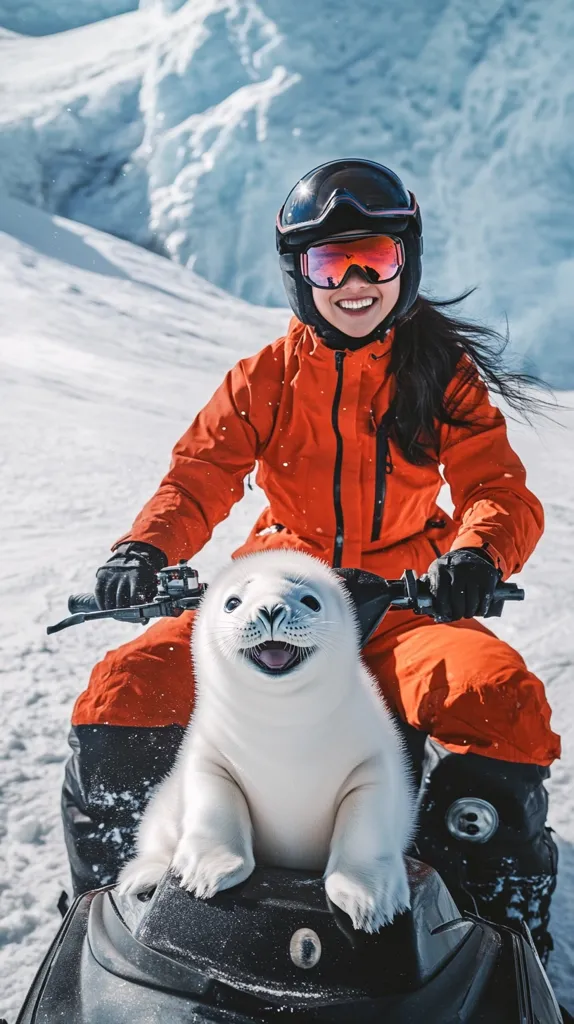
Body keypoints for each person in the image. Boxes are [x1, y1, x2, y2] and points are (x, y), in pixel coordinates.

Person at [62, 158, 560, 962]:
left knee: (496, 697)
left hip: (403, 607)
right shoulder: (266, 377)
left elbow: (497, 490)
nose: (356, 280)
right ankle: (110, 917)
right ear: (299, 275)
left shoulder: (440, 378)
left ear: (408, 261)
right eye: (332, 263)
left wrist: (475, 554)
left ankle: (502, 941)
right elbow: (198, 476)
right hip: (276, 599)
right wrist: (145, 546)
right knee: (128, 686)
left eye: (377, 257)